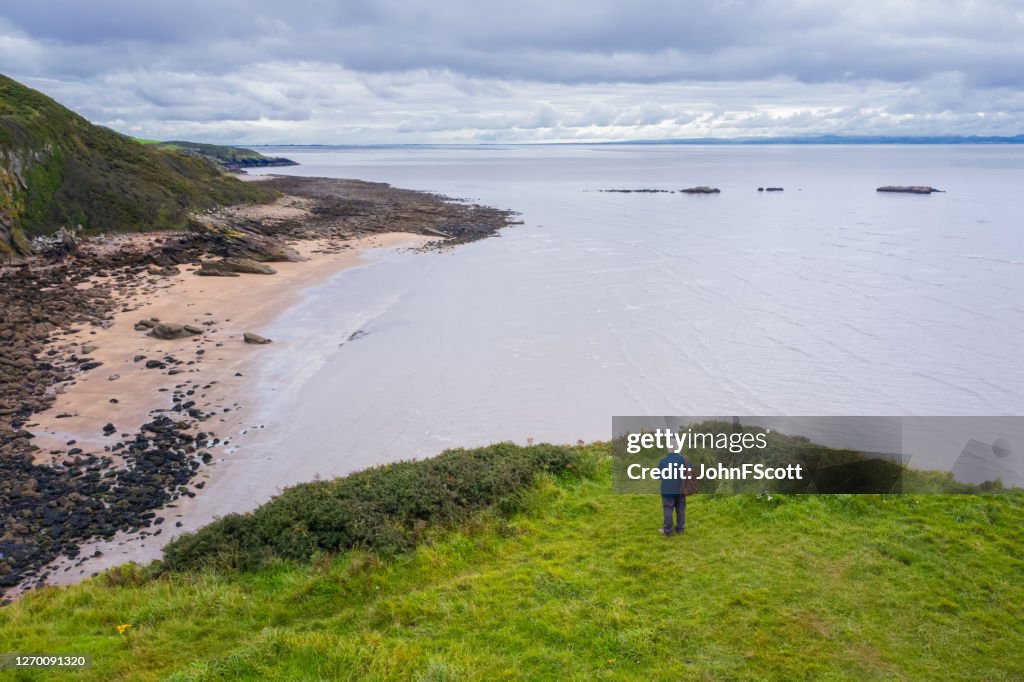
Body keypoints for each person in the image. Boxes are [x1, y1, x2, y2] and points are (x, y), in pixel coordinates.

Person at [658, 449, 690, 536]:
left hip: (667, 490)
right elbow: (689, 472)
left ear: (669, 450)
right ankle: (680, 530)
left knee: (668, 509)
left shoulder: (663, 461)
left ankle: (668, 531)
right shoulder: (684, 460)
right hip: (681, 489)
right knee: (681, 510)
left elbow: (658, 476)